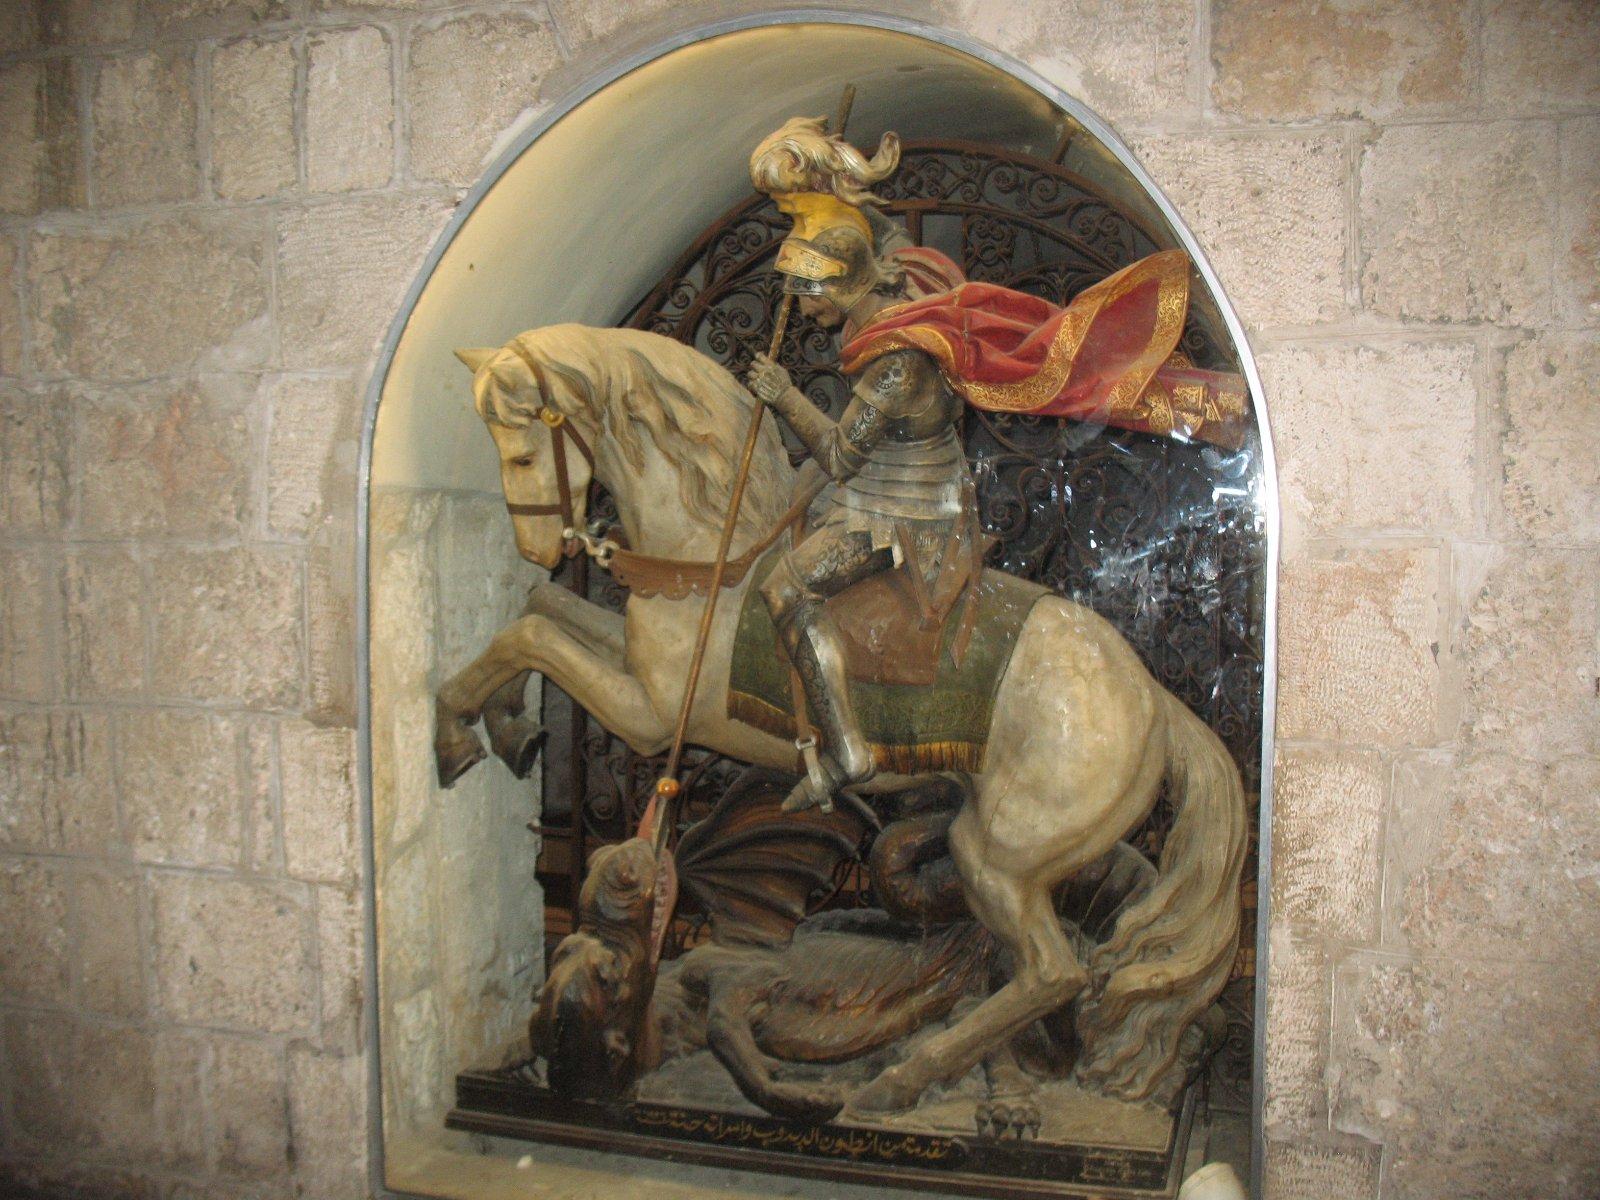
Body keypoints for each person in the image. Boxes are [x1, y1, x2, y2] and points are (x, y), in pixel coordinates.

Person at [745, 117, 1249, 812]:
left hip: (901, 516)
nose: (803, 311)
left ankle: (846, 750)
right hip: (885, 486)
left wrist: (784, 395)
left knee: (785, 589)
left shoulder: (896, 362)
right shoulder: (899, 305)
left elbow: (837, 455)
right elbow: (878, 239)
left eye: (809, 294)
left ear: (841, 287)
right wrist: (822, 198)